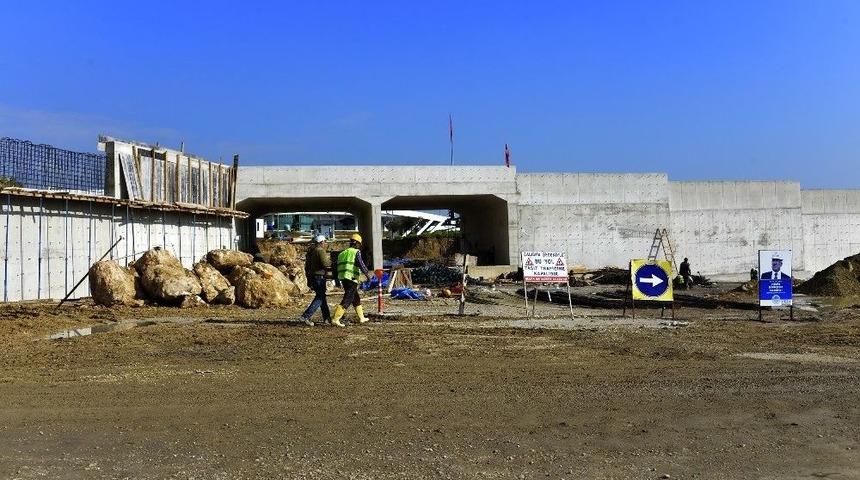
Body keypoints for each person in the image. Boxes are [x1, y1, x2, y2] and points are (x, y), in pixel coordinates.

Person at [331, 233, 371, 327]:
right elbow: (360, 264)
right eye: (359, 244)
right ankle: (335, 319)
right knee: (348, 298)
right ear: (357, 243)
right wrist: (367, 275)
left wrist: (336, 280)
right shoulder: (356, 252)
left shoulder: (342, 253)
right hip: (352, 278)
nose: (359, 246)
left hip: (344, 278)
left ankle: (362, 318)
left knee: (355, 298)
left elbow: (335, 267)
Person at [298, 234, 332, 327]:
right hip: (319, 277)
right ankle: (306, 316)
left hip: (314, 277)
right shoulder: (320, 251)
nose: (326, 244)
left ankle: (327, 318)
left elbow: (307, 266)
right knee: (320, 298)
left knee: (322, 298)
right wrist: (333, 261)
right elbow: (326, 264)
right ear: (321, 242)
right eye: (325, 242)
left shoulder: (312, 251)